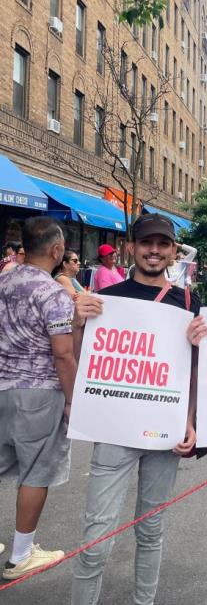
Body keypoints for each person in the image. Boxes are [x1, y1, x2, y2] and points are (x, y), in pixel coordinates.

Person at [71, 214, 203, 605]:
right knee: (96, 538)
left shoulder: (190, 303)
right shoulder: (107, 301)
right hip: (115, 431)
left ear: (173, 251)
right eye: (147, 243)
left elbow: (193, 372)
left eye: (163, 244)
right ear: (132, 247)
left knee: (151, 530)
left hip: (165, 431)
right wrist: (79, 324)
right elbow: (87, 362)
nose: (155, 250)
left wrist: (191, 420)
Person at [0, 217, 77, 580]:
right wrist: (73, 399)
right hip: (39, 391)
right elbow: (63, 353)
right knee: (34, 473)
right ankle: (21, 555)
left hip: (2, 386)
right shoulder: (54, 294)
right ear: (56, 249)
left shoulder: (3, 279)